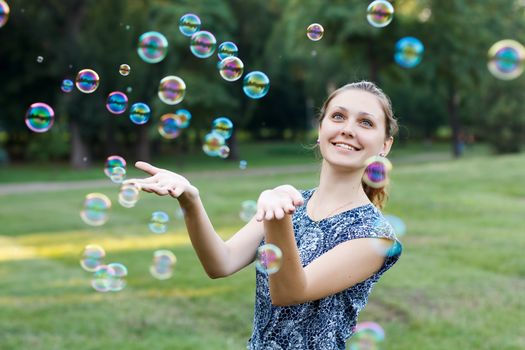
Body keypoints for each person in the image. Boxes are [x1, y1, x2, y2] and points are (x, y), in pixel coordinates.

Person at [125, 81, 402, 349]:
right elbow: (221, 263)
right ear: (321, 129)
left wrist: (277, 217)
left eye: (365, 122)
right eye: (338, 116)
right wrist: (190, 200)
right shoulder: (292, 202)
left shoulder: (376, 236)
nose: (348, 130)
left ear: (384, 145)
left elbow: (291, 292)